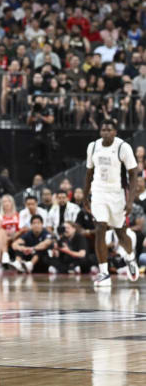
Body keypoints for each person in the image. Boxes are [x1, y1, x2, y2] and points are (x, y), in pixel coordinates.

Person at [84, 119, 139, 286]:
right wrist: (85, 195)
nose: (106, 133)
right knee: (100, 228)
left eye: (109, 130)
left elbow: (133, 174)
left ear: (115, 132)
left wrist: (130, 201)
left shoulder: (123, 147)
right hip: (99, 192)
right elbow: (89, 172)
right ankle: (104, 273)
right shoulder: (93, 146)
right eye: (103, 130)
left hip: (117, 194)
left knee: (121, 232)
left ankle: (130, 257)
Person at [0, 194, 20, 272]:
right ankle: (3, 256)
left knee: (1, 236)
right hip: (4, 238)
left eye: (8, 201)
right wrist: (7, 235)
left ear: (12, 203)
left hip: (16, 236)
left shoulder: (17, 215)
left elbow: (21, 228)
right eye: (4, 201)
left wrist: (13, 235)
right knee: (1, 232)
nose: (6, 203)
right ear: (2, 204)